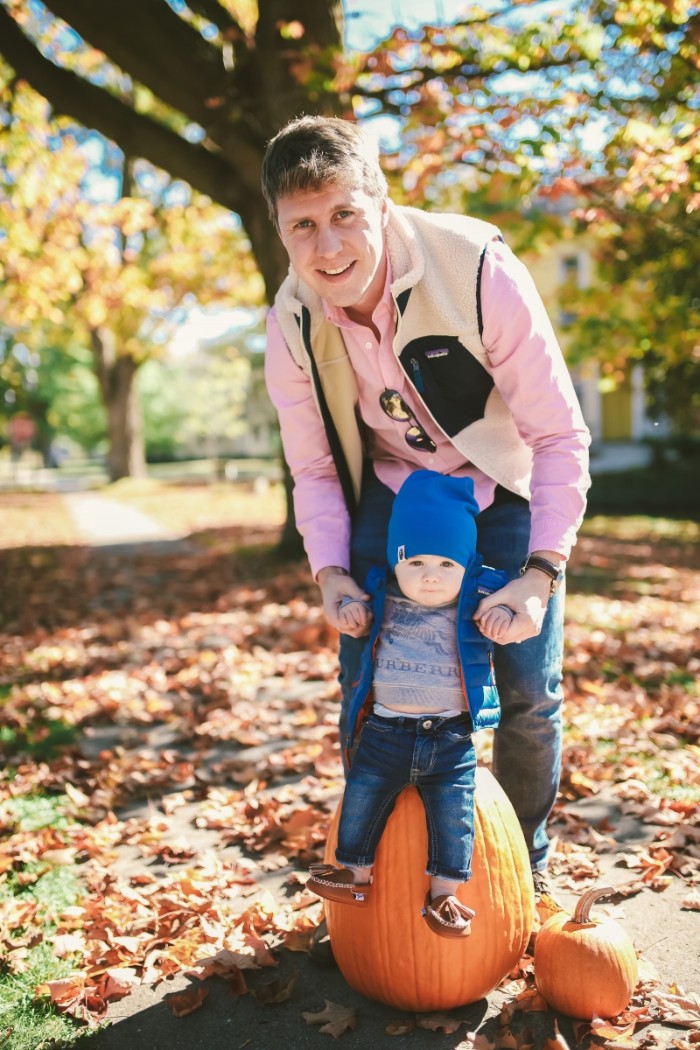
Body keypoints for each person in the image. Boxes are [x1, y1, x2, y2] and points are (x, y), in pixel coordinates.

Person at [261, 115, 591, 921]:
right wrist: (332, 573)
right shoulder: (293, 320)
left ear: (380, 202)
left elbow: (557, 435)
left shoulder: (477, 268)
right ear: (280, 231)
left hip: (500, 482)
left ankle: (523, 865)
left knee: (527, 690)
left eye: (343, 214)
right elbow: (310, 468)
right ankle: (378, 866)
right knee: (367, 678)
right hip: (394, 492)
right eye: (303, 225)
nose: (327, 245)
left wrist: (541, 575)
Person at [307, 470, 514, 937]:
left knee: (455, 816)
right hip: (386, 732)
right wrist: (352, 615)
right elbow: (356, 620)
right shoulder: (381, 591)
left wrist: (502, 614)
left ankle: (445, 896)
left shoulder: (481, 593)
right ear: (395, 560)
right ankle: (355, 875)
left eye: (446, 565)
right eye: (416, 562)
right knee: (361, 796)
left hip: (450, 736)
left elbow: (507, 605)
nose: (430, 577)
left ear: (467, 564)